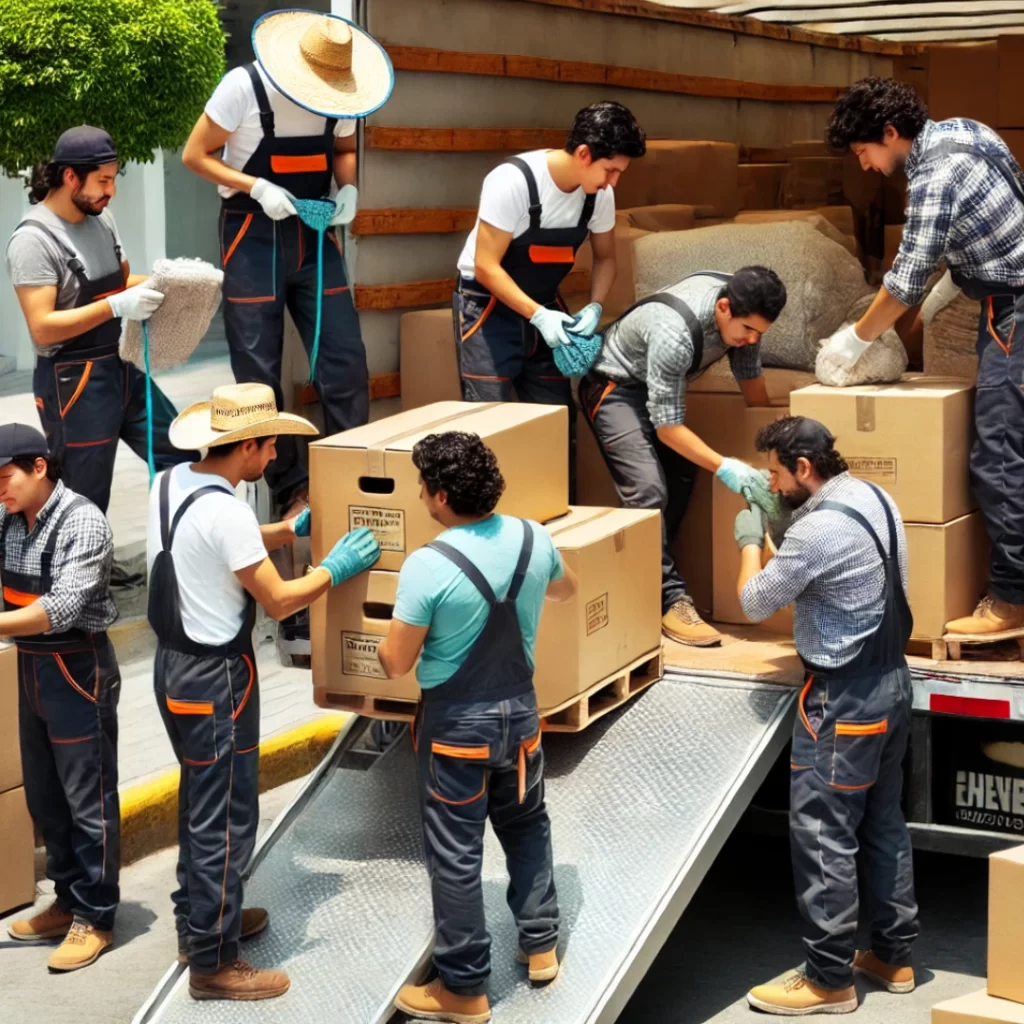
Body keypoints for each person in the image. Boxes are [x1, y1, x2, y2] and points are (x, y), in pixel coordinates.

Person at [146, 382, 380, 1001]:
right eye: (269, 443)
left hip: (172, 669)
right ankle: (215, 964)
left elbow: (229, 547)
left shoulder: (171, 483)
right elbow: (275, 598)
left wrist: (286, 529)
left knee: (201, 804)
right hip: (217, 679)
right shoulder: (226, 511)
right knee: (225, 819)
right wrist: (334, 570)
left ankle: (195, 926)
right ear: (244, 446)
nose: (274, 455)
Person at [377, 431, 578, 1024]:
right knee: (526, 826)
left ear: (440, 496)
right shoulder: (533, 538)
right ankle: (540, 946)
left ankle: (463, 988)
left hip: (455, 731)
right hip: (521, 720)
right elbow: (567, 590)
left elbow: (396, 662)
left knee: (456, 855)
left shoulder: (427, 566)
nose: (419, 495)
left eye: (421, 486)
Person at [822, 76, 1024, 640]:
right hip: (997, 295)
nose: (865, 166)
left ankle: (1011, 603)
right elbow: (993, 220)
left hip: (1015, 306)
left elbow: (906, 277)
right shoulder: (965, 131)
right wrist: (948, 289)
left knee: (1000, 454)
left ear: (890, 133)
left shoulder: (934, 175)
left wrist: (853, 342)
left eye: (865, 152)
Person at [734, 416, 918, 1016]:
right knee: (883, 823)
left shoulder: (811, 535)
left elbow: (755, 602)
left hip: (842, 702)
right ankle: (892, 956)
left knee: (822, 834)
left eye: (776, 473)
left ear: (804, 470)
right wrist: (787, 518)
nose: (771, 481)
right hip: (893, 683)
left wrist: (750, 539)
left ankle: (828, 978)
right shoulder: (875, 496)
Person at [182, 10, 393, 518]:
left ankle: (349, 476)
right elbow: (195, 154)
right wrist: (255, 185)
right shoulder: (243, 88)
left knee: (344, 359)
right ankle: (291, 487)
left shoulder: (343, 95)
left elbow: (343, 148)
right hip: (251, 235)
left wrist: (349, 188)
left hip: (314, 233)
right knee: (258, 372)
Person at [4, 126, 193, 551]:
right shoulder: (33, 240)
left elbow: (125, 282)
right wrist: (113, 308)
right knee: (85, 498)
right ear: (70, 177)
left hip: (122, 367)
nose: (111, 192)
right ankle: (77, 596)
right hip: (74, 384)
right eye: (102, 181)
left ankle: (177, 554)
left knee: (179, 451)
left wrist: (175, 282)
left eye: (114, 179)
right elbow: (41, 326)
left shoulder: (100, 218)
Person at [579, 266, 787, 647]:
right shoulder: (674, 333)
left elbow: (751, 384)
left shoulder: (746, 313)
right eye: (747, 331)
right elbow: (668, 428)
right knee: (649, 492)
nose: (752, 339)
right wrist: (728, 467)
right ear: (724, 307)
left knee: (684, 472)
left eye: (760, 332)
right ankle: (669, 599)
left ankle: (644, 578)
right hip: (614, 389)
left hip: (654, 386)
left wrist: (776, 449)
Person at [455, 101, 647, 498]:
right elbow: (487, 266)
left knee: (556, 426)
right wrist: (539, 316)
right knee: (489, 427)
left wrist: (594, 306)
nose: (614, 182)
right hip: (487, 310)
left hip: (546, 309)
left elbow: (608, 259)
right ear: (583, 154)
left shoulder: (599, 196)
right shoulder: (512, 181)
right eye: (610, 170)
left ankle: (557, 530)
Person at [0, 424, 120, 972]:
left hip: (77, 666)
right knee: (45, 798)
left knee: (87, 799)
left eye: (5, 479)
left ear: (39, 468)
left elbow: (63, 606)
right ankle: (67, 899)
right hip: (30, 667)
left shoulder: (82, 521)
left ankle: (95, 917)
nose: (0, 491)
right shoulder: (7, 518)